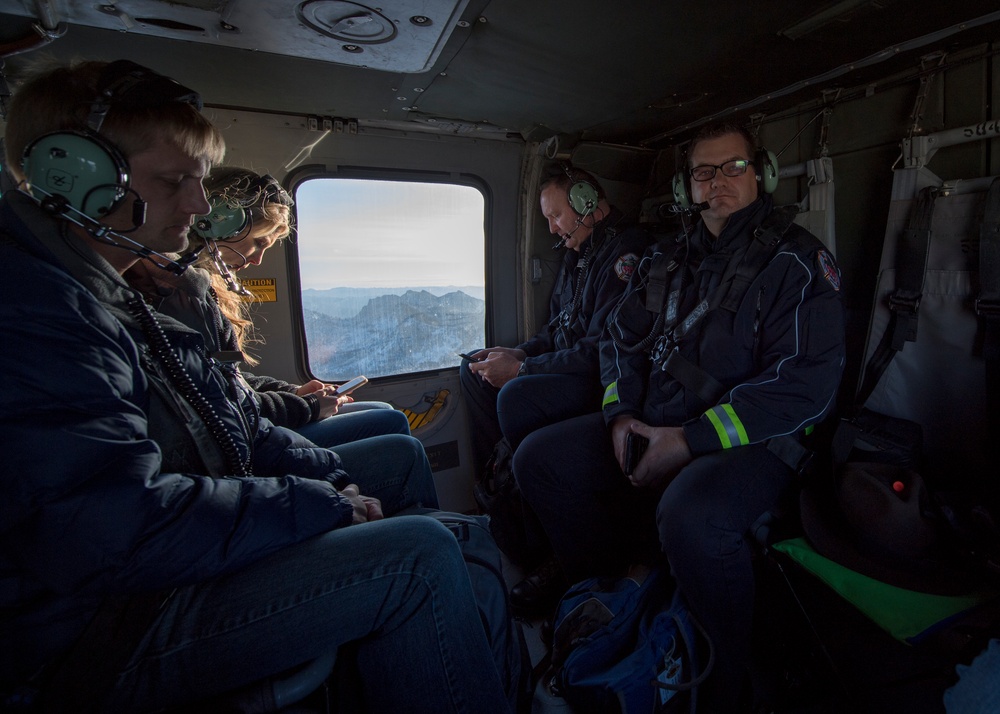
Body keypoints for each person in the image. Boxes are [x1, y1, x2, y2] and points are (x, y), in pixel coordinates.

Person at [0, 58, 510, 713]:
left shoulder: (102, 295)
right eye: (175, 181)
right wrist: (318, 504)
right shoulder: (37, 312)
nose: (199, 207)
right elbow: (114, 531)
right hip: (102, 638)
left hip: (140, 589)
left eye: (200, 182)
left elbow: (225, 419)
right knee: (418, 559)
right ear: (74, 177)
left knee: (413, 516)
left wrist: (327, 481)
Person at [514, 123, 846, 711]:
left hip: (752, 444)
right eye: (703, 172)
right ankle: (621, 594)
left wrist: (688, 441)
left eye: (733, 168)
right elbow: (619, 339)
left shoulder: (798, 263)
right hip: (652, 420)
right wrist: (620, 416)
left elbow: (804, 384)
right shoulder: (665, 258)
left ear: (761, 173)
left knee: (689, 517)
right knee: (538, 460)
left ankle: (727, 682)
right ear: (686, 185)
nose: (718, 182)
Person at [180, 165, 413, 448]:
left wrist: (291, 391)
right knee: (396, 432)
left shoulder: (201, 288)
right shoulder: (185, 295)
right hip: (242, 441)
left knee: (382, 410)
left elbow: (234, 380)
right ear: (217, 222)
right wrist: (307, 407)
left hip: (248, 426)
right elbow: (224, 400)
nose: (257, 261)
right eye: (258, 243)